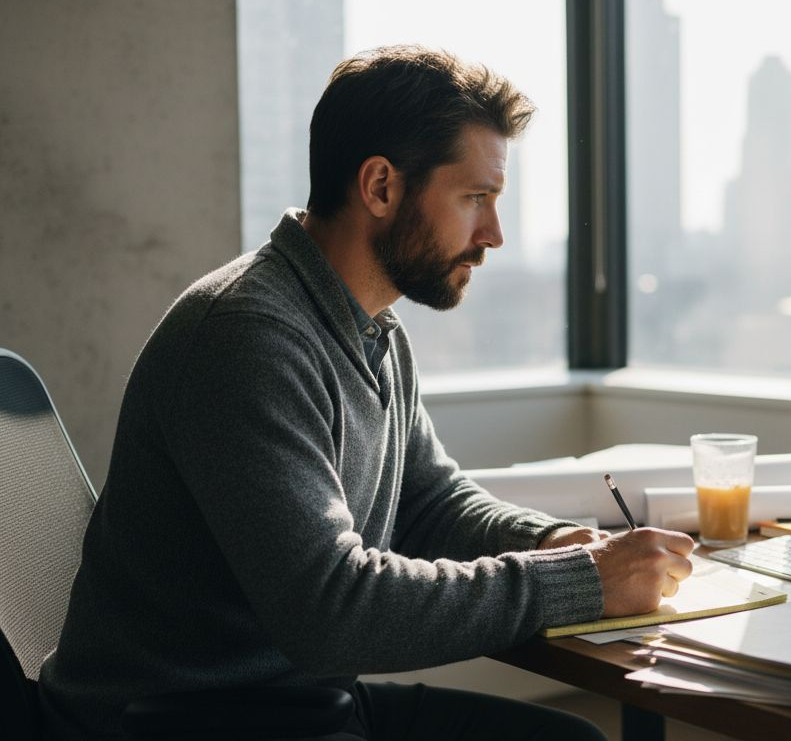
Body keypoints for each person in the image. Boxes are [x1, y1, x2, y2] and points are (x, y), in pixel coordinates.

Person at [38, 45, 695, 741]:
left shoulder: (373, 331)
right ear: (381, 187)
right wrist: (581, 581)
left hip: (297, 706)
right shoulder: (246, 337)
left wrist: (559, 542)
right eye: (476, 198)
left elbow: (430, 504)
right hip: (178, 723)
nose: (493, 235)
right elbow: (334, 613)